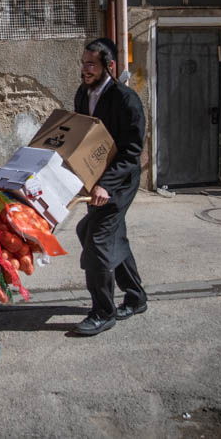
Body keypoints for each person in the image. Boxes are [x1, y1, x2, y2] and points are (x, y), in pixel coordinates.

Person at [72, 38, 147, 336]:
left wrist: (106, 185)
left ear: (110, 66)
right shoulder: (83, 93)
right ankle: (136, 296)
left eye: (91, 64)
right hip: (95, 179)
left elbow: (131, 152)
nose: (85, 69)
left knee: (97, 241)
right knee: (102, 233)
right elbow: (82, 136)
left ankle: (103, 311)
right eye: (83, 63)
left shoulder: (126, 100)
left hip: (118, 181)